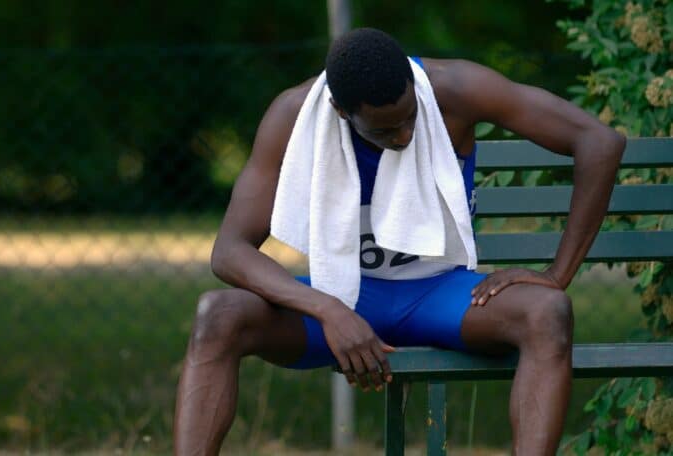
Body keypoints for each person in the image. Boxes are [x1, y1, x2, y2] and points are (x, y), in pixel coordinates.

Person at [173, 27, 625, 455]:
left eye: (409, 119)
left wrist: (556, 274)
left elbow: (599, 142)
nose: (405, 135)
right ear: (341, 111)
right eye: (385, 132)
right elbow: (229, 251)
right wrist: (327, 309)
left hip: (437, 293)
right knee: (218, 316)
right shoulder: (294, 115)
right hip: (342, 294)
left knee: (548, 312)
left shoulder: (456, 89)